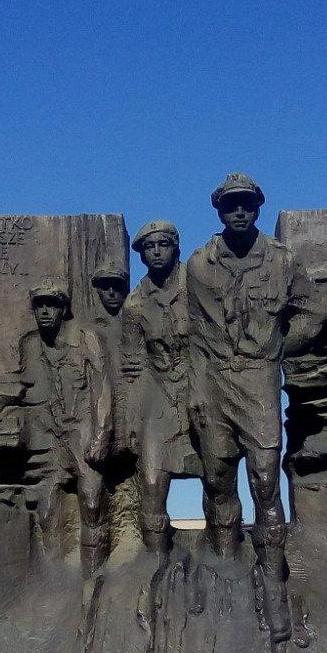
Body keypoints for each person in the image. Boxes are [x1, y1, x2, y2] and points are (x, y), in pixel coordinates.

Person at [185, 173, 320, 642]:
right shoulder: (199, 264)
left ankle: (273, 595)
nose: (239, 212)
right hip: (214, 384)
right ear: (219, 211)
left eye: (247, 204)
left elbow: (310, 311)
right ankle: (226, 573)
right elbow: (192, 337)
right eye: (230, 206)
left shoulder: (283, 261)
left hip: (259, 380)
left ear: (259, 207)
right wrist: (197, 397)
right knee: (218, 480)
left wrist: (281, 347)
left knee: (266, 485)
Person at [19, 278, 116, 572]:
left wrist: (101, 436)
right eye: (40, 305)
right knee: (46, 511)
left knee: (91, 502)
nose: (45, 311)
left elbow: (103, 390)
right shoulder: (29, 344)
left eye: (52, 305)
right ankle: (53, 577)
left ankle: (93, 576)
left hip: (82, 431)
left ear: (64, 308)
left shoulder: (87, 339)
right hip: (48, 436)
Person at [121, 220, 198, 553]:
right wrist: (132, 423)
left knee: (218, 481)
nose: (156, 251)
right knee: (151, 486)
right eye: (149, 247)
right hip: (159, 400)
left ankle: (223, 561)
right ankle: (153, 566)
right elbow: (131, 370)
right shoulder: (134, 306)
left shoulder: (198, 287)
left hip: (199, 393)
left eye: (163, 244)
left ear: (175, 247)